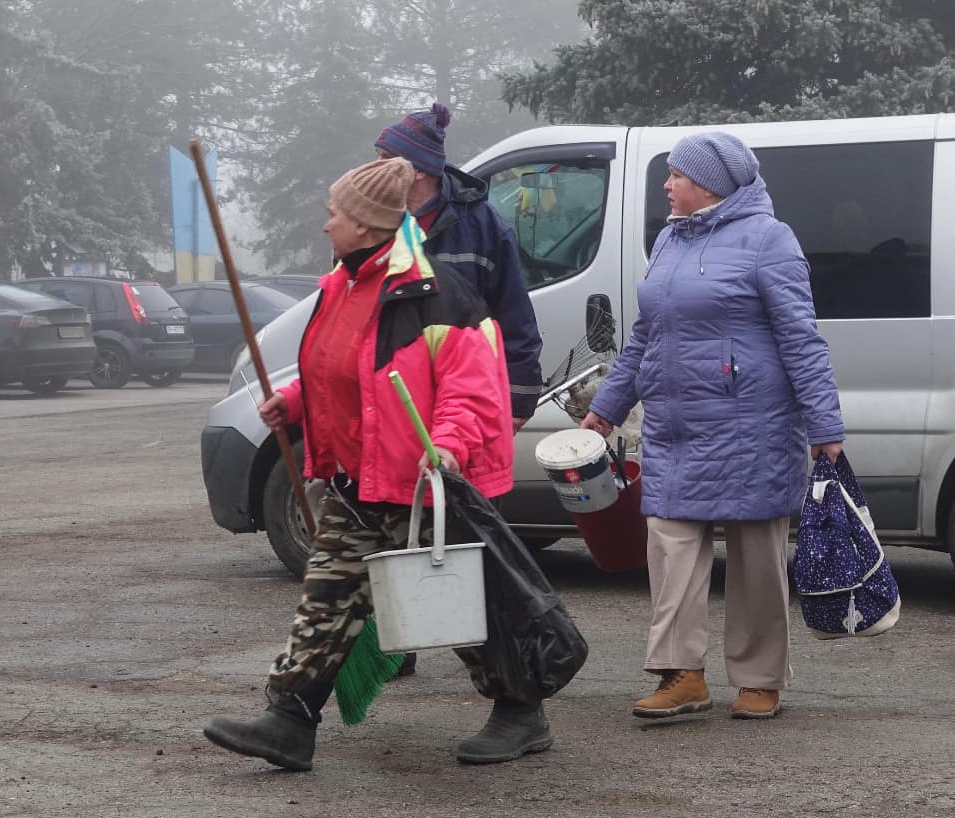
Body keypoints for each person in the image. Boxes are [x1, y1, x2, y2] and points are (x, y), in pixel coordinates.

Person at [204, 158, 551, 770]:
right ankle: (290, 720)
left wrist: (446, 447)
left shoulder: (437, 292)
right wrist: (295, 402)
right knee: (328, 595)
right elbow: (344, 372)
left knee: (461, 610)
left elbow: (471, 391)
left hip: (421, 482)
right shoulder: (342, 286)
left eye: (334, 213)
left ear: (365, 226)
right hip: (358, 479)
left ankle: (522, 712)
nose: (326, 224)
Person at [580, 132, 844, 720]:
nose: (667, 186)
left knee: (755, 559)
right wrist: (608, 407)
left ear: (709, 184)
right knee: (670, 547)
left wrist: (826, 425)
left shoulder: (769, 240)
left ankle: (759, 678)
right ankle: (682, 675)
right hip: (676, 428)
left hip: (752, 428)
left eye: (675, 175)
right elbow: (645, 337)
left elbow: (802, 339)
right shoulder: (671, 238)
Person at [374, 103, 543, 431]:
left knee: (458, 483)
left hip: (465, 403)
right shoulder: (372, 224)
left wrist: (519, 399)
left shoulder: (483, 226)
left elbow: (514, 314)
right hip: (396, 404)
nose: (374, 168)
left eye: (385, 159)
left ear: (418, 169)